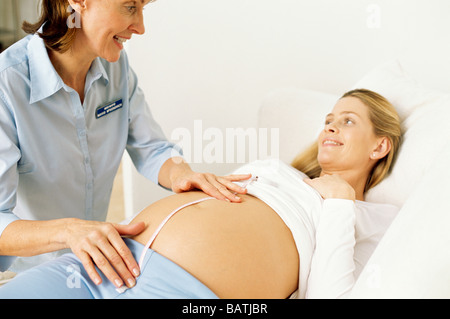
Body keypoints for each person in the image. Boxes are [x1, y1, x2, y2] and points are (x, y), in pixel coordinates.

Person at [0, 88, 403, 299]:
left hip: (184, 291)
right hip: (104, 260)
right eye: (328, 120)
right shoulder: (277, 171)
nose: (329, 128)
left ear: (379, 146)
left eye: (347, 121)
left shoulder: (367, 218)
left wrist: (336, 204)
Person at [0, 0, 251, 291]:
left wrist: (182, 175)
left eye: (143, 7)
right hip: (25, 275)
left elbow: (153, 149)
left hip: (93, 270)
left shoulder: (114, 67)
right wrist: (69, 231)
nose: (141, 27)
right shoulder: (7, 86)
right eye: (130, 6)